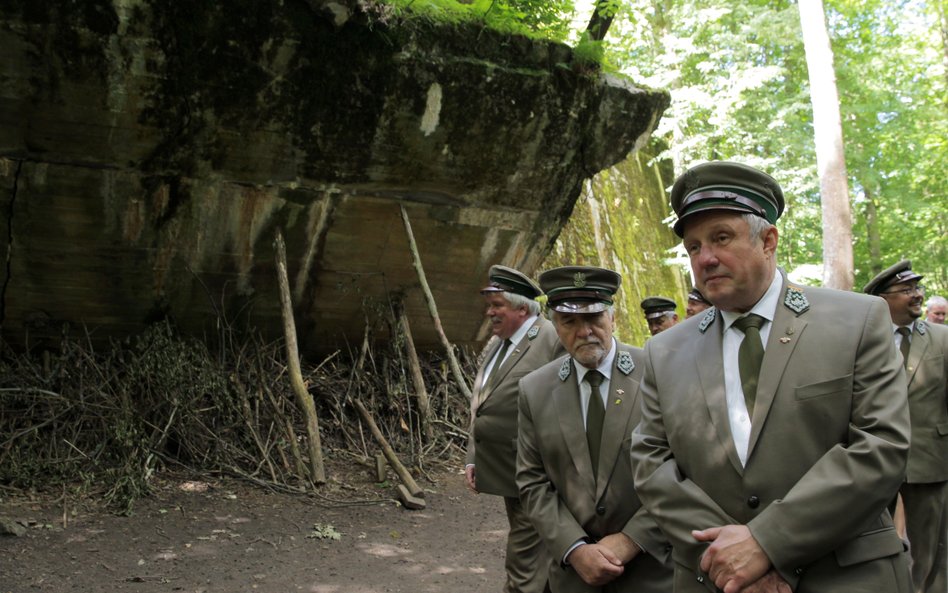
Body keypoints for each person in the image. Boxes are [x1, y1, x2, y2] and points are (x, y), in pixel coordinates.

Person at [630, 161, 912, 593]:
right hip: (714, 578)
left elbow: (881, 446)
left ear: (768, 240)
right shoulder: (664, 351)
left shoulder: (856, 321)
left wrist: (767, 543)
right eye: (693, 247)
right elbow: (651, 466)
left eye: (721, 238)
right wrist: (728, 559)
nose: (705, 258)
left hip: (844, 576)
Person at [516, 265, 673, 593]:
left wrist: (632, 539)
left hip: (653, 571)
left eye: (593, 318)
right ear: (555, 327)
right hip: (574, 576)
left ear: (612, 319)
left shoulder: (659, 374)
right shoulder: (535, 389)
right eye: (569, 321)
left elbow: (684, 469)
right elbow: (532, 481)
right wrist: (574, 549)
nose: (583, 331)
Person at [465, 264, 565, 593]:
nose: (489, 312)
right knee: (538, 554)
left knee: (522, 562)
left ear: (522, 309)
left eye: (497, 305)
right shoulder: (498, 343)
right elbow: (481, 404)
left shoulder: (552, 337)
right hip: (507, 471)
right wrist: (473, 457)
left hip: (539, 473)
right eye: (489, 304)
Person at [865, 260, 948, 593]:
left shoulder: (943, 339)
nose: (917, 296)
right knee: (872, 544)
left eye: (918, 288)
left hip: (930, 459)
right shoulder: (865, 341)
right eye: (907, 290)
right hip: (873, 461)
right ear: (883, 300)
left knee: (932, 549)